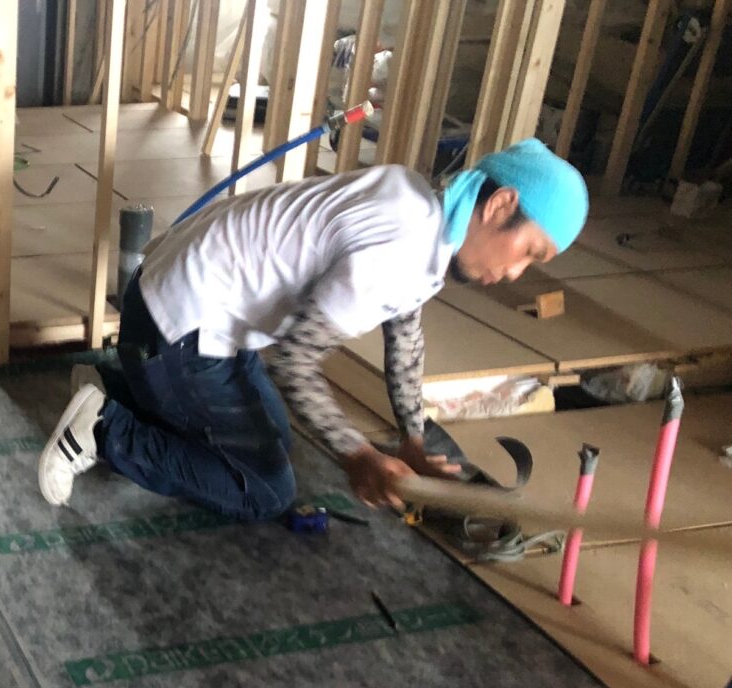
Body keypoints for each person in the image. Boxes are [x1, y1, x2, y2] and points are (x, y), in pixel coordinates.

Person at [37, 138, 589, 519]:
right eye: (529, 251)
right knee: (263, 488)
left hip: (186, 305)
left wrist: (413, 437)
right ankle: (104, 429)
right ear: (501, 205)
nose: (515, 273)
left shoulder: (418, 205)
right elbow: (293, 363)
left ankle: (119, 385)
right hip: (180, 326)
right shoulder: (402, 247)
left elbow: (405, 335)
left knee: (277, 441)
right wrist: (358, 454)